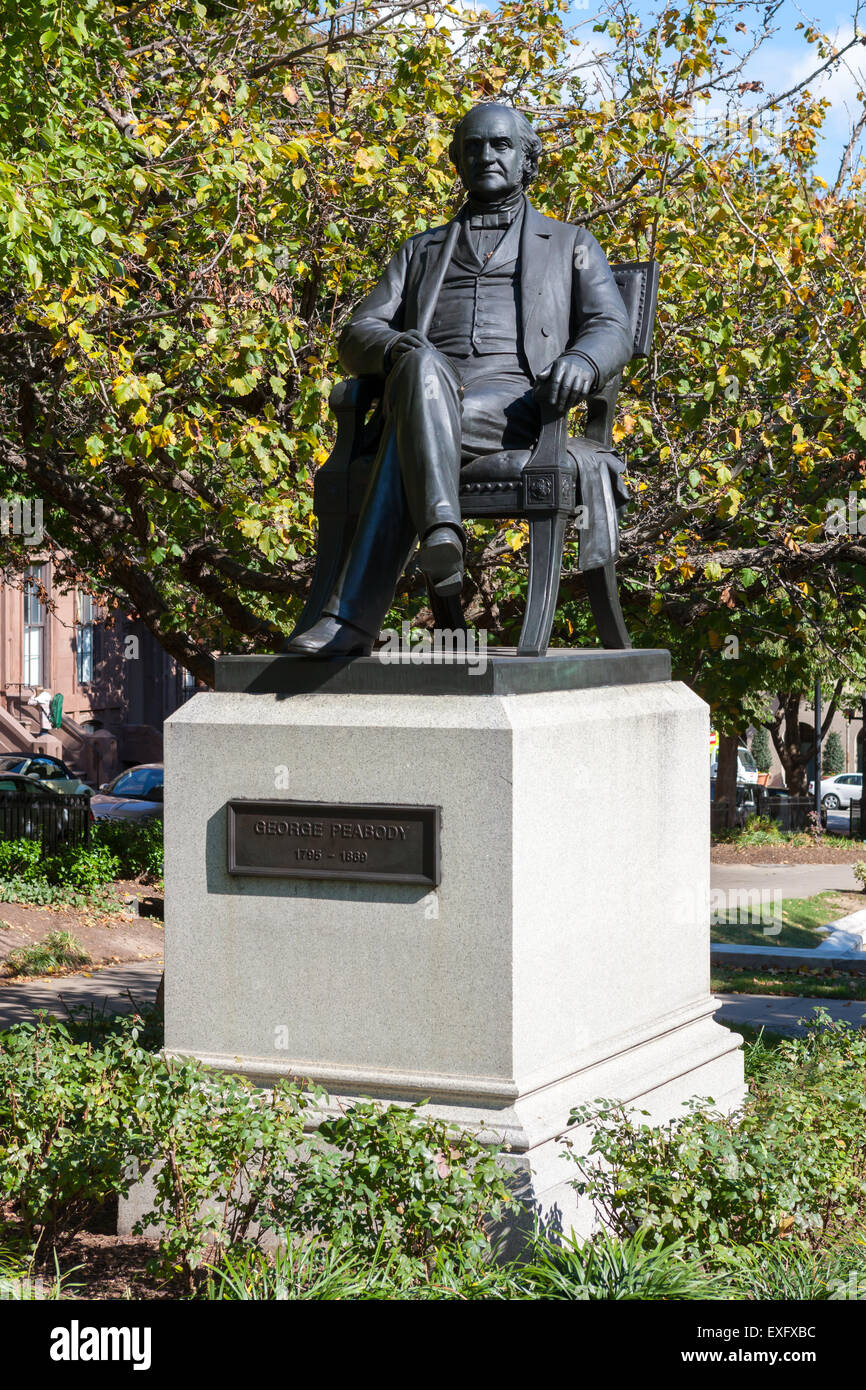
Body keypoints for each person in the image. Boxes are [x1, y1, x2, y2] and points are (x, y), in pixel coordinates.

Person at [286, 102, 633, 657]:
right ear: (457, 161)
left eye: (500, 145)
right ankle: (442, 532)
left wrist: (585, 363)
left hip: (519, 407)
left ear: (527, 161)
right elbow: (356, 335)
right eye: (472, 147)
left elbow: (611, 325)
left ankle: (353, 617)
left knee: (406, 427)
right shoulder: (420, 250)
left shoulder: (570, 244)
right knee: (420, 366)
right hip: (431, 391)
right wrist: (396, 343)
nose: (485, 155)